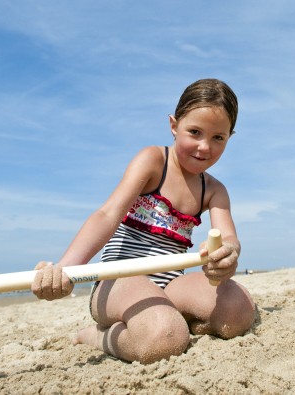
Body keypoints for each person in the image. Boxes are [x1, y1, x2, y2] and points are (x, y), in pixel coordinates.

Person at [30, 79, 255, 364]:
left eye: (217, 138)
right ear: (174, 126)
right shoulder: (153, 161)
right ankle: (96, 335)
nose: (204, 146)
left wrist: (229, 255)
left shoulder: (214, 190)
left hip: (171, 285)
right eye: (194, 132)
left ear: (229, 137)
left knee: (238, 310)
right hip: (119, 282)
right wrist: (66, 267)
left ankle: (163, 317)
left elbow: (229, 238)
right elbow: (107, 214)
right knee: (164, 337)